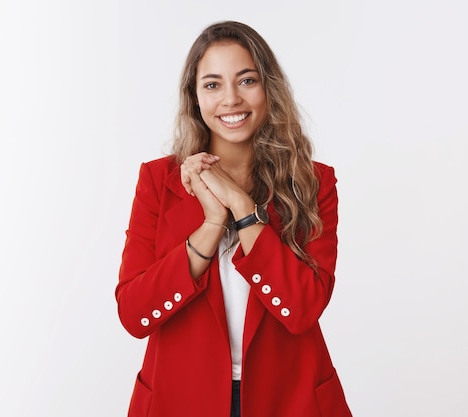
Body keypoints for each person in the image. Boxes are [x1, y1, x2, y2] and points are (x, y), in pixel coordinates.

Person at [115, 20, 352, 417]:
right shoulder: (158, 181)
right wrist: (211, 225)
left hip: (290, 398)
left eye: (246, 81)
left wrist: (242, 207)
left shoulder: (313, 181)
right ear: (194, 98)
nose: (230, 99)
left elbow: (304, 307)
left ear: (268, 89)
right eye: (212, 84)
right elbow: (134, 314)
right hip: (181, 399)